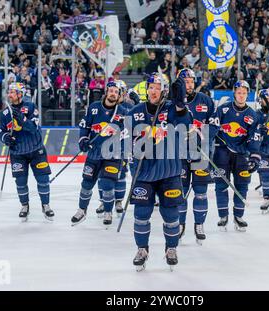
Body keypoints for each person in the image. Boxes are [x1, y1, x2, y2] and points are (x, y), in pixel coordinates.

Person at [126, 72, 192, 271]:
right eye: (150, 87)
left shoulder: (172, 108)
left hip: (169, 171)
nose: (153, 91)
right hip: (144, 173)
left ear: (164, 90)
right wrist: (135, 157)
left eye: (157, 88)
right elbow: (127, 141)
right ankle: (142, 249)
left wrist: (180, 105)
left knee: (171, 214)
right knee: (142, 213)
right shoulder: (135, 111)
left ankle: (171, 248)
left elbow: (184, 122)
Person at [71, 81, 127, 227]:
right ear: (106, 92)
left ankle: (108, 211)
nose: (113, 93)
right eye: (111, 90)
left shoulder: (122, 112)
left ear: (119, 95)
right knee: (86, 183)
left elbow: (127, 135)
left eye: (116, 91)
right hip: (94, 154)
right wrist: (83, 139)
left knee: (108, 184)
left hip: (113, 155)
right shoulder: (94, 107)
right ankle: (82, 210)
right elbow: (85, 126)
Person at [209, 80, 261, 231]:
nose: (241, 95)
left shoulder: (252, 115)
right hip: (222, 153)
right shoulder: (223, 109)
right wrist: (205, 145)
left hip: (241, 155)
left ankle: (238, 216)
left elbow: (254, 137)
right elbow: (212, 128)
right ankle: (223, 216)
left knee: (242, 186)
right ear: (234, 93)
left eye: (244, 93)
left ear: (247, 94)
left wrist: (255, 156)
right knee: (221, 185)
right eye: (239, 92)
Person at [0, 82, 54, 221]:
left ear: (20, 94)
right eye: (9, 92)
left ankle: (45, 205)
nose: (9, 94)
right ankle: (24, 205)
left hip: (36, 150)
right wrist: (6, 138)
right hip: (17, 153)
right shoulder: (5, 112)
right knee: (20, 181)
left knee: (43, 180)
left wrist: (22, 119)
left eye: (12, 92)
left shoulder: (31, 107)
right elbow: (0, 130)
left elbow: (33, 128)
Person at [176, 68, 215, 244]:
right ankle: (180, 224)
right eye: (185, 82)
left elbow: (214, 123)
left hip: (200, 153)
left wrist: (205, 137)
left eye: (191, 81)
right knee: (180, 192)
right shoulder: (172, 102)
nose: (188, 84)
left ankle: (199, 224)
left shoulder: (206, 101)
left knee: (200, 192)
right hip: (179, 155)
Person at [96, 80, 134, 217]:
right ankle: (103, 201)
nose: (120, 94)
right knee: (102, 175)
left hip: (122, 147)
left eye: (121, 91)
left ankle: (118, 201)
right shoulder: (104, 105)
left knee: (121, 174)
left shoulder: (129, 107)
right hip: (104, 147)